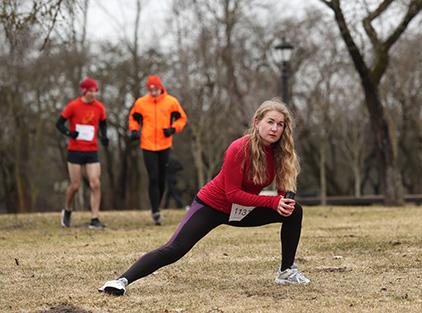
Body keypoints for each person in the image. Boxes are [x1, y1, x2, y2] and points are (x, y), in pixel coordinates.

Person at [99, 99, 310, 296]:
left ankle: (286, 272)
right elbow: (233, 194)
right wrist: (273, 201)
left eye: (280, 124)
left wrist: (284, 201)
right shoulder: (238, 149)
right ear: (257, 122)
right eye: (270, 122)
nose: (275, 128)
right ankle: (121, 281)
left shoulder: (282, 153)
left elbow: (283, 190)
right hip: (212, 206)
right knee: (175, 249)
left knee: (294, 211)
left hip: (242, 210)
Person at [128, 75, 187, 225]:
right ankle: (155, 211)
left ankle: (157, 206)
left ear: (161, 87)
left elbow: (182, 119)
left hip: (164, 144)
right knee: (153, 177)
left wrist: (173, 129)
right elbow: (133, 118)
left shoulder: (171, 102)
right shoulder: (141, 103)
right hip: (147, 145)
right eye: (150, 89)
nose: (153, 92)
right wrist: (134, 130)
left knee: (161, 178)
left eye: (155, 89)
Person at [56, 77, 109, 229]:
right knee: (75, 185)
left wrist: (104, 137)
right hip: (75, 150)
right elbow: (59, 123)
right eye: (90, 91)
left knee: (95, 183)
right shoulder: (73, 106)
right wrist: (69, 133)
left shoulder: (99, 107)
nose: (93, 94)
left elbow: (103, 123)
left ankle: (95, 218)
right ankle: (67, 210)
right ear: (84, 91)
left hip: (92, 150)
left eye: (95, 91)